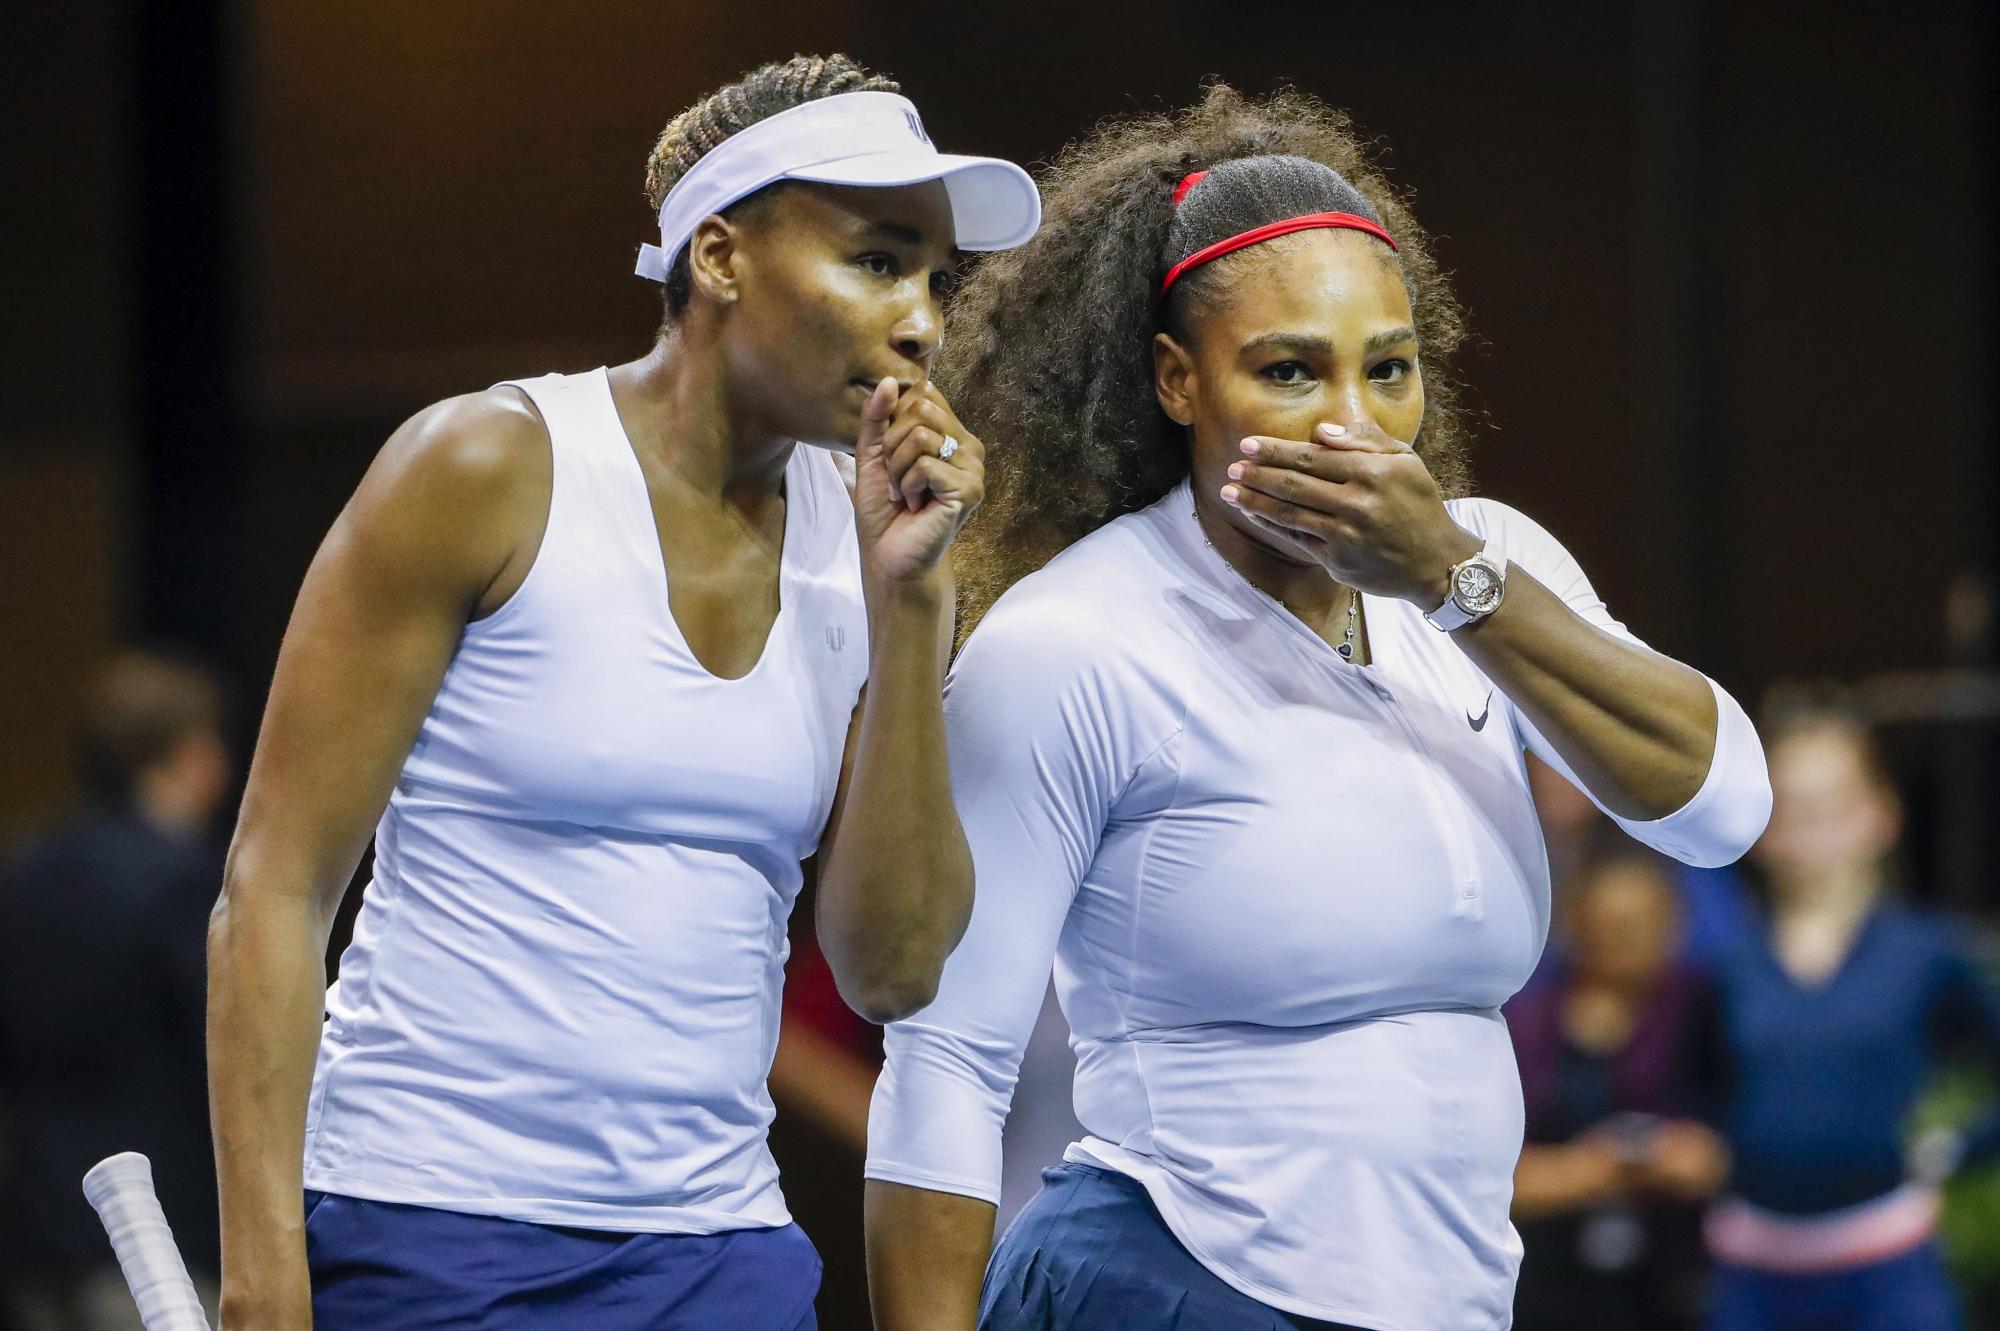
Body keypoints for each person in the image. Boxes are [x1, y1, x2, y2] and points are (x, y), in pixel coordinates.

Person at [861, 85, 1772, 1331]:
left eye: (1384, 369)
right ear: (1179, 382)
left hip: (1444, 1297)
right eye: (1287, 371)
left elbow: (1719, 809)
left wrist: (1451, 584)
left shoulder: (1483, 564)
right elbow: (945, 1059)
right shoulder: (1073, 639)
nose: (1350, 423)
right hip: (1171, 1277)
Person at [205, 54, 1039, 1331]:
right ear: (716, 258)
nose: (922, 319)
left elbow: (892, 967)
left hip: (722, 1248)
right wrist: (264, 1283)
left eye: (934, 277)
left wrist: (911, 608)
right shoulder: (481, 466)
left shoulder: (878, 542)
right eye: (877, 261)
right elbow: (274, 884)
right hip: (428, 1229)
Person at [1700, 703, 2000, 1331]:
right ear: (1763, 825)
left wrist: (1953, 1148)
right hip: (1752, 1271)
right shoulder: (1726, 963)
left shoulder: (1927, 953)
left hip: (1887, 1267)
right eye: (1792, 808)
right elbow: (1694, 1086)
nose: (1811, 830)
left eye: (1831, 805)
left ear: (1880, 814)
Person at [0, 650, 232, 1331]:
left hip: (36, 1220)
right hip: (157, 1233)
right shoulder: (187, 883)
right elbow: (220, 1053)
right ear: (186, 755)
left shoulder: (24, 871)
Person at [1507, 845, 1728, 1330]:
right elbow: (1490, 1180)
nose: (1625, 941)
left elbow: (1734, 1148)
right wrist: (1595, 1170)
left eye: (1642, 923)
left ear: (1675, 923)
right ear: (1574, 923)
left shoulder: (1706, 1014)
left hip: (1672, 1288)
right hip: (1543, 1285)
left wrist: (1690, 1158)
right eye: (1610, 925)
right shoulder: (1526, 1025)